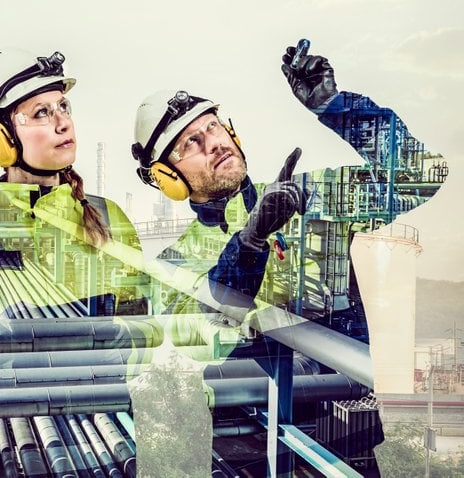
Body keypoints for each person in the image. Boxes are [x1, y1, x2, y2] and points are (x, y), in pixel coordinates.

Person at [0, 48, 288, 477]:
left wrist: (59, 342)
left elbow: (145, 343)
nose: (62, 121)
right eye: (41, 112)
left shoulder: (108, 221)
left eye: (63, 106)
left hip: (108, 447)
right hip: (6, 450)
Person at [130, 39, 448, 476]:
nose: (214, 144)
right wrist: (251, 240)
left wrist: (337, 106)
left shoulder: (308, 198)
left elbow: (421, 174)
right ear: (167, 178)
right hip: (250, 456)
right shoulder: (174, 261)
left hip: (348, 446)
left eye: (214, 128)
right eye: (190, 144)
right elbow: (193, 341)